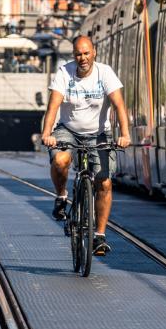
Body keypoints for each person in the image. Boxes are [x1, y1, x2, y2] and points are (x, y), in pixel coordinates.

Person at [40, 34, 132, 257]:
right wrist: (47, 133)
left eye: (86, 53)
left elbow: (119, 105)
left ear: (94, 53)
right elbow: (53, 106)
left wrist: (125, 134)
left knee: (105, 182)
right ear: (74, 56)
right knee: (61, 160)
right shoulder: (64, 72)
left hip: (99, 133)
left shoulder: (105, 73)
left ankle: (99, 236)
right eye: (78, 54)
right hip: (68, 130)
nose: (82, 58)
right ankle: (61, 196)